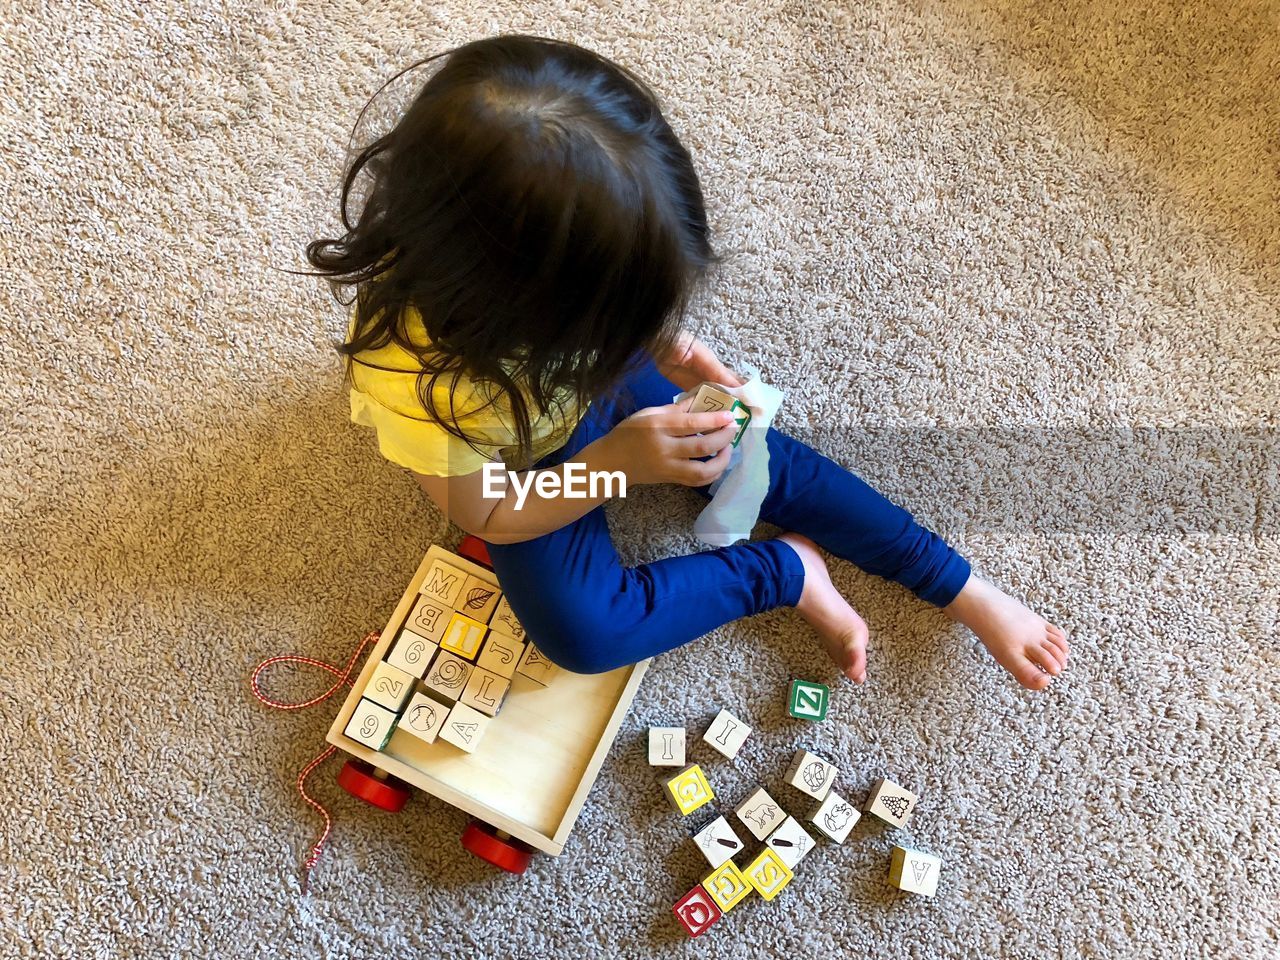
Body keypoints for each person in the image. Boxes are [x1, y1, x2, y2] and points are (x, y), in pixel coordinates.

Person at [302, 34, 1068, 690]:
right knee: (582, 635)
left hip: (563, 381)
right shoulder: (415, 382)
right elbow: (490, 516)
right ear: (523, 305)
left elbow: (605, 298)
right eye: (621, 309)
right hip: (520, 460)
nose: (641, 324)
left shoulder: (536, 277)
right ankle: (788, 574)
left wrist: (663, 343)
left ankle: (959, 586)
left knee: (755, 452)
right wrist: (616, 465)